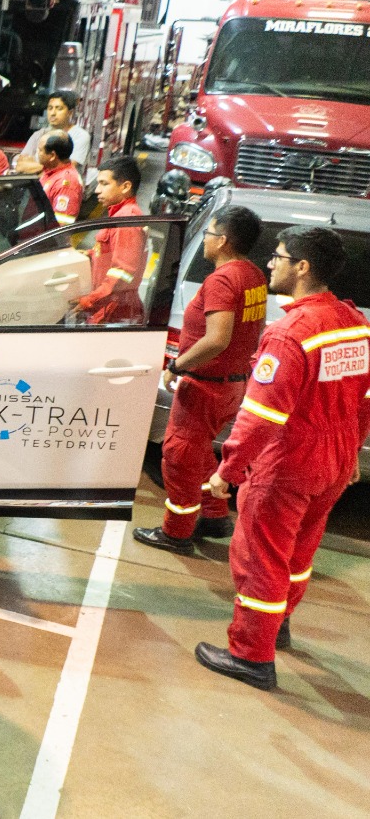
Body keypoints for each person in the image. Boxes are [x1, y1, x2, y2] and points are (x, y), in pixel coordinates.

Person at [198, 226, 370, 690]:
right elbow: (363, 400)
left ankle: (251, 655)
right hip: (331, 463)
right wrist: (351, 451)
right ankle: (280, 623)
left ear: (302, 267)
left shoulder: (290, 334)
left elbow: (259, 418)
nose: (269, 263)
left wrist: (226, 473)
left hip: (288, 464)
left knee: (261, 558)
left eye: (277, 257)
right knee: (297, 553)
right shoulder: (355, 323)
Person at [136, 206, 267, 554]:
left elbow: (217, 338)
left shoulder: (223, 280)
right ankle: (213, 515)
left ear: (222, 240)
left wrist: (177, 365)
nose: (207, 239)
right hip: (231, 384)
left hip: (206, 385)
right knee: (198, 453)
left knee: (178, 457)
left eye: (208, 233)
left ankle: (176, 532)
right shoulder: (253, 275)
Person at [72, 155, 147, 326]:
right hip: (109, 308)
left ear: (125, 186)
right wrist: (92, 254)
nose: (97, 190)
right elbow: (113, 252)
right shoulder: (120, 215)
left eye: (104, 184)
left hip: (113, 312)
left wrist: (90, 300)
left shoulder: (126, 219)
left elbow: (122, 273)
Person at [14, 89, 91, 173]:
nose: (53, 113)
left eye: (59, 108)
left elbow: (67, 168)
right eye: (50, 108)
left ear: (70, 113)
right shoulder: (39, 134)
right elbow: (19, 165)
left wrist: (32, 166)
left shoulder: (80, 136)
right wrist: (51, 167)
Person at [37, 133, 83, 224]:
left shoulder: (66, 184)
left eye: (40, 150)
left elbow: (61, 225)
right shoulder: (50, 172)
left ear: (52, 155)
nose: (37, 153)